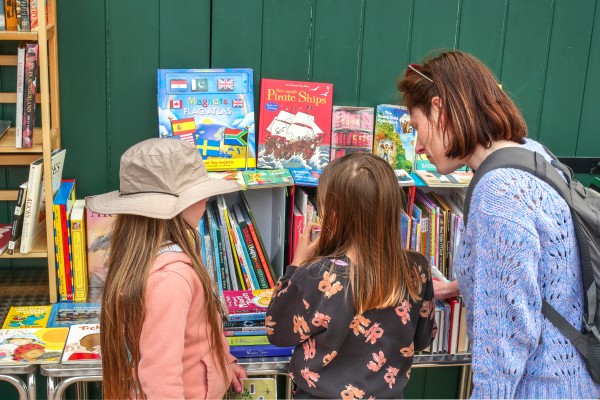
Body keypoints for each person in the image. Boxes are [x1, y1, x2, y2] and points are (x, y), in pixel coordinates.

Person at [398, 50, 600, 398]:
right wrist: (458, 286)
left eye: (417, 128)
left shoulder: (498, 194)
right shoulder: (531, 153)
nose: (418, 147)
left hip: (540, 388)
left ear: (439, 109)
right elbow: (540, 273)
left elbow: (505, 338)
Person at [266, 152, 436, 399]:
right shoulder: (416, 270)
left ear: (333, 215)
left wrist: (295, 265)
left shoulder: (317, 276)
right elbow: (422, 339)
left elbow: (277, 331)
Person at [87, 138, 247, 399]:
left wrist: (224, 362)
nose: (206, 199)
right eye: (196, 192)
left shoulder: (148, 257)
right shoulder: (170, 279)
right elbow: (161, 377)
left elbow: (200, 331)